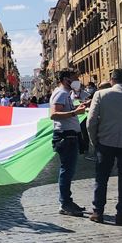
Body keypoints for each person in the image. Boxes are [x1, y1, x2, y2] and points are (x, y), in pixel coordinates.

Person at [86, 68, 122, 225]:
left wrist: (94, 141)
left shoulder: (100, 94)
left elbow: (91, 121)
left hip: (105, 142)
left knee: (101, 177)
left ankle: (98, 211)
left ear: (112, 80)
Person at [49, 68, 88, 217]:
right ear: (66, 79)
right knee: (67, 171)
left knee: (69, 170)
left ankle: (67, 201)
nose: (77, 80)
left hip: (70, 136)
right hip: (65, 137)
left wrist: (76, 109)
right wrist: (74, 113)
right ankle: (65, 203)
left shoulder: (66, 94)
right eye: (75, 77)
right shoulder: (61, 93)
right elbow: (53, 115)